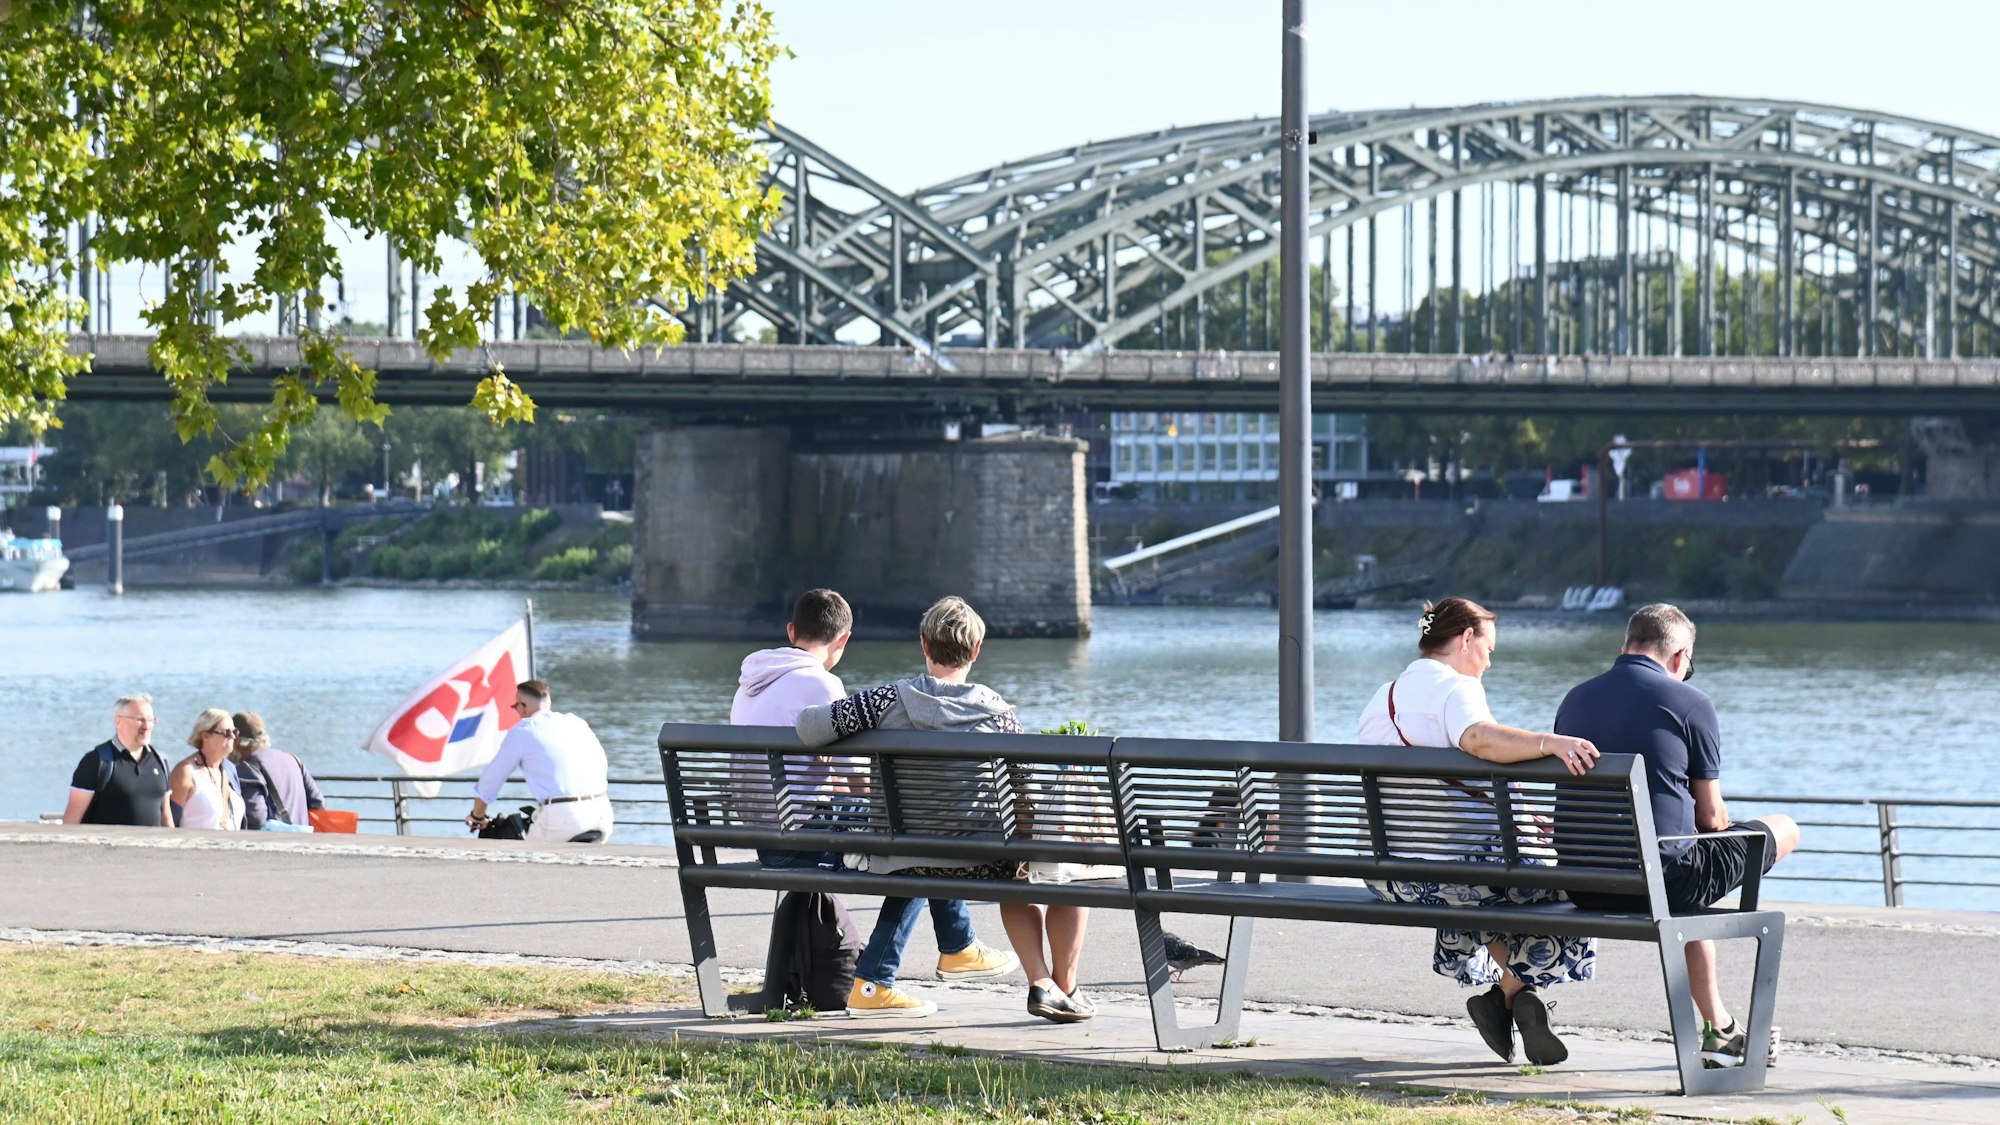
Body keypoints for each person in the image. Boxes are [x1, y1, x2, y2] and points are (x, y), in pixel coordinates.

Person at [799, 596, 1093, 1024]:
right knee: (1060, 874)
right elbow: (1026, 790)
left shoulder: (884, 701)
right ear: (975, 651)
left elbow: (809, 727)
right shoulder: (999, 715)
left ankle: (1048, 985)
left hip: (900, 856)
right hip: (983, 862)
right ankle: (1054, 985)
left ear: (924, 644)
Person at [1355, 597, 1602, 1067]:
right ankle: (1515, 991)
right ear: (1466, 638)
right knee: (1566, 878)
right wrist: (1553, 743)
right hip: (1453, 874)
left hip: (1393, 876)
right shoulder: (1456, 688)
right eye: (1487, 647)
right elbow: (1479, 739)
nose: (1490, 659)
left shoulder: (1382, 696)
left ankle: (1506, 998)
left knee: (1484, 874)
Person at [1553, 603, 1801, 1068]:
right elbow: (1711, 819)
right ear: (1679, 655)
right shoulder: (1690, 702)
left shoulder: (1574, 699)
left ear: (1625, 646)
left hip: (1583, 882)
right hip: (1664, 881)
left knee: (1686, 880)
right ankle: (1721, 1032)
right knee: (1784, 828)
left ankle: (1721, 1028)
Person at [730, 588, 861, 867]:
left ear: (792, 631)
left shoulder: (748, 683)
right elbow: (858, 782)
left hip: (759, 837)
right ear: (844, 639)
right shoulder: (823, 684)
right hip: (801, 837)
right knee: (885, 820)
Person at [467, 679, 615, 844]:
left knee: (521, 858)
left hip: (563, 819)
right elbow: (602, 761)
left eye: (515, 706)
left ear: (523, 706)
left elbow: (491, 780)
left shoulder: (523, 731)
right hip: (602, 812)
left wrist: (477, 815)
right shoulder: (577, 723)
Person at [63, 694, 173, 828]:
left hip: (153, 848)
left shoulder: (160, 760)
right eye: (140, 720)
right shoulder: (97, 761)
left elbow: (166, 818)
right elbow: (71, 822)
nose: (147, 726)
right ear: (118, 722)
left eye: (151, 720)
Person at [230, 711, 325, 830]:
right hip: (302, 840)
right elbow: (318, 803)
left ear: (237, 742)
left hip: (272, 844)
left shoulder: (248, 767)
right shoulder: (293, 759)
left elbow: (255, 817)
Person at [171, 709, 246, 831]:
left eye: (235, 732)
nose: (233, 737)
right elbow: (170, 822)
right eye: (227, 733)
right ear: (206, 735)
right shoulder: (186, 772)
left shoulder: (229, 769)